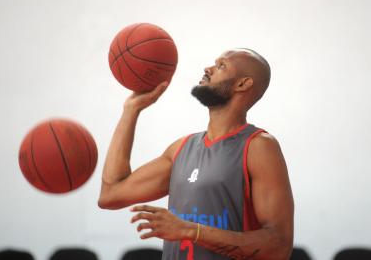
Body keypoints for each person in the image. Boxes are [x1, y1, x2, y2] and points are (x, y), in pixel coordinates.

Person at [98, 49, 294, 260]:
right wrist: (131, 110)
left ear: (242, 84)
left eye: (221, 66)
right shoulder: (181, 148)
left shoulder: (259, 147)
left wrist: (192, 231)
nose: (207, 69)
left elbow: (279, 246)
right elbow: (111, 194)